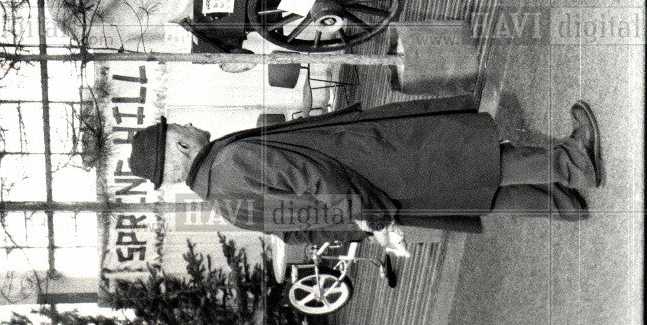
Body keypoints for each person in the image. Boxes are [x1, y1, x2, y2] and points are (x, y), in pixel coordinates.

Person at [128, 100, 603, 250]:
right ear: (180, 146)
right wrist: (372, 214)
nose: (187, 124)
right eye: (178, 128)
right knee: (479, 160)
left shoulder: (225, 204)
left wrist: (372, 227)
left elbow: (303, 233)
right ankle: (575, 161)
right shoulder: (232, 161)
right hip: (379, 169)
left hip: (381, 201)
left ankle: (565, 207)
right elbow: (318, 179)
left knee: (476, 194)